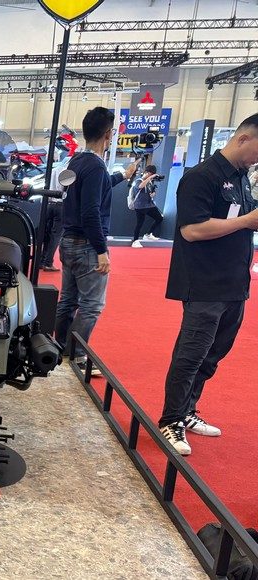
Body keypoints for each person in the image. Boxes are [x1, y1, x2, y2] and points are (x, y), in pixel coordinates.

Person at [157, 113, 258, 456]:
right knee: (191, 354)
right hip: (204, 284)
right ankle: (171, 419)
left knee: (213, 355)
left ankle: (187, 410)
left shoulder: (241, 177)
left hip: (234, 284)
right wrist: (246, 221)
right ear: (244, 138)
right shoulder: (201, 177)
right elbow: (191, 230)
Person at [54, 107, 138, 376]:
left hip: (68, 240)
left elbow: (94, 190)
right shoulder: (95, 167)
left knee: (68, 300)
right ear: (108, 134)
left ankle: (60, 347)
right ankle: (77, 355)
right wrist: (102, 250)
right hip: (87, 244)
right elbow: (90, 210)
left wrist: (122, 176)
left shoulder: (77, 162)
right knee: (91, 305)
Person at [130, 164, 164, 247]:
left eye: (152, 174)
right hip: (140, 206)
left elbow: (151, 191)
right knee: (140, 223)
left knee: (159, 218)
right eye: (150, 174)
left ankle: (148, 234)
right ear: (146, 172)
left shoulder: (150, 182)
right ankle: (135, 240)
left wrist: (153, 193)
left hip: (149, 205)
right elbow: (140, 186)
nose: (151, 176)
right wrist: (150, 178)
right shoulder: (138, 181)